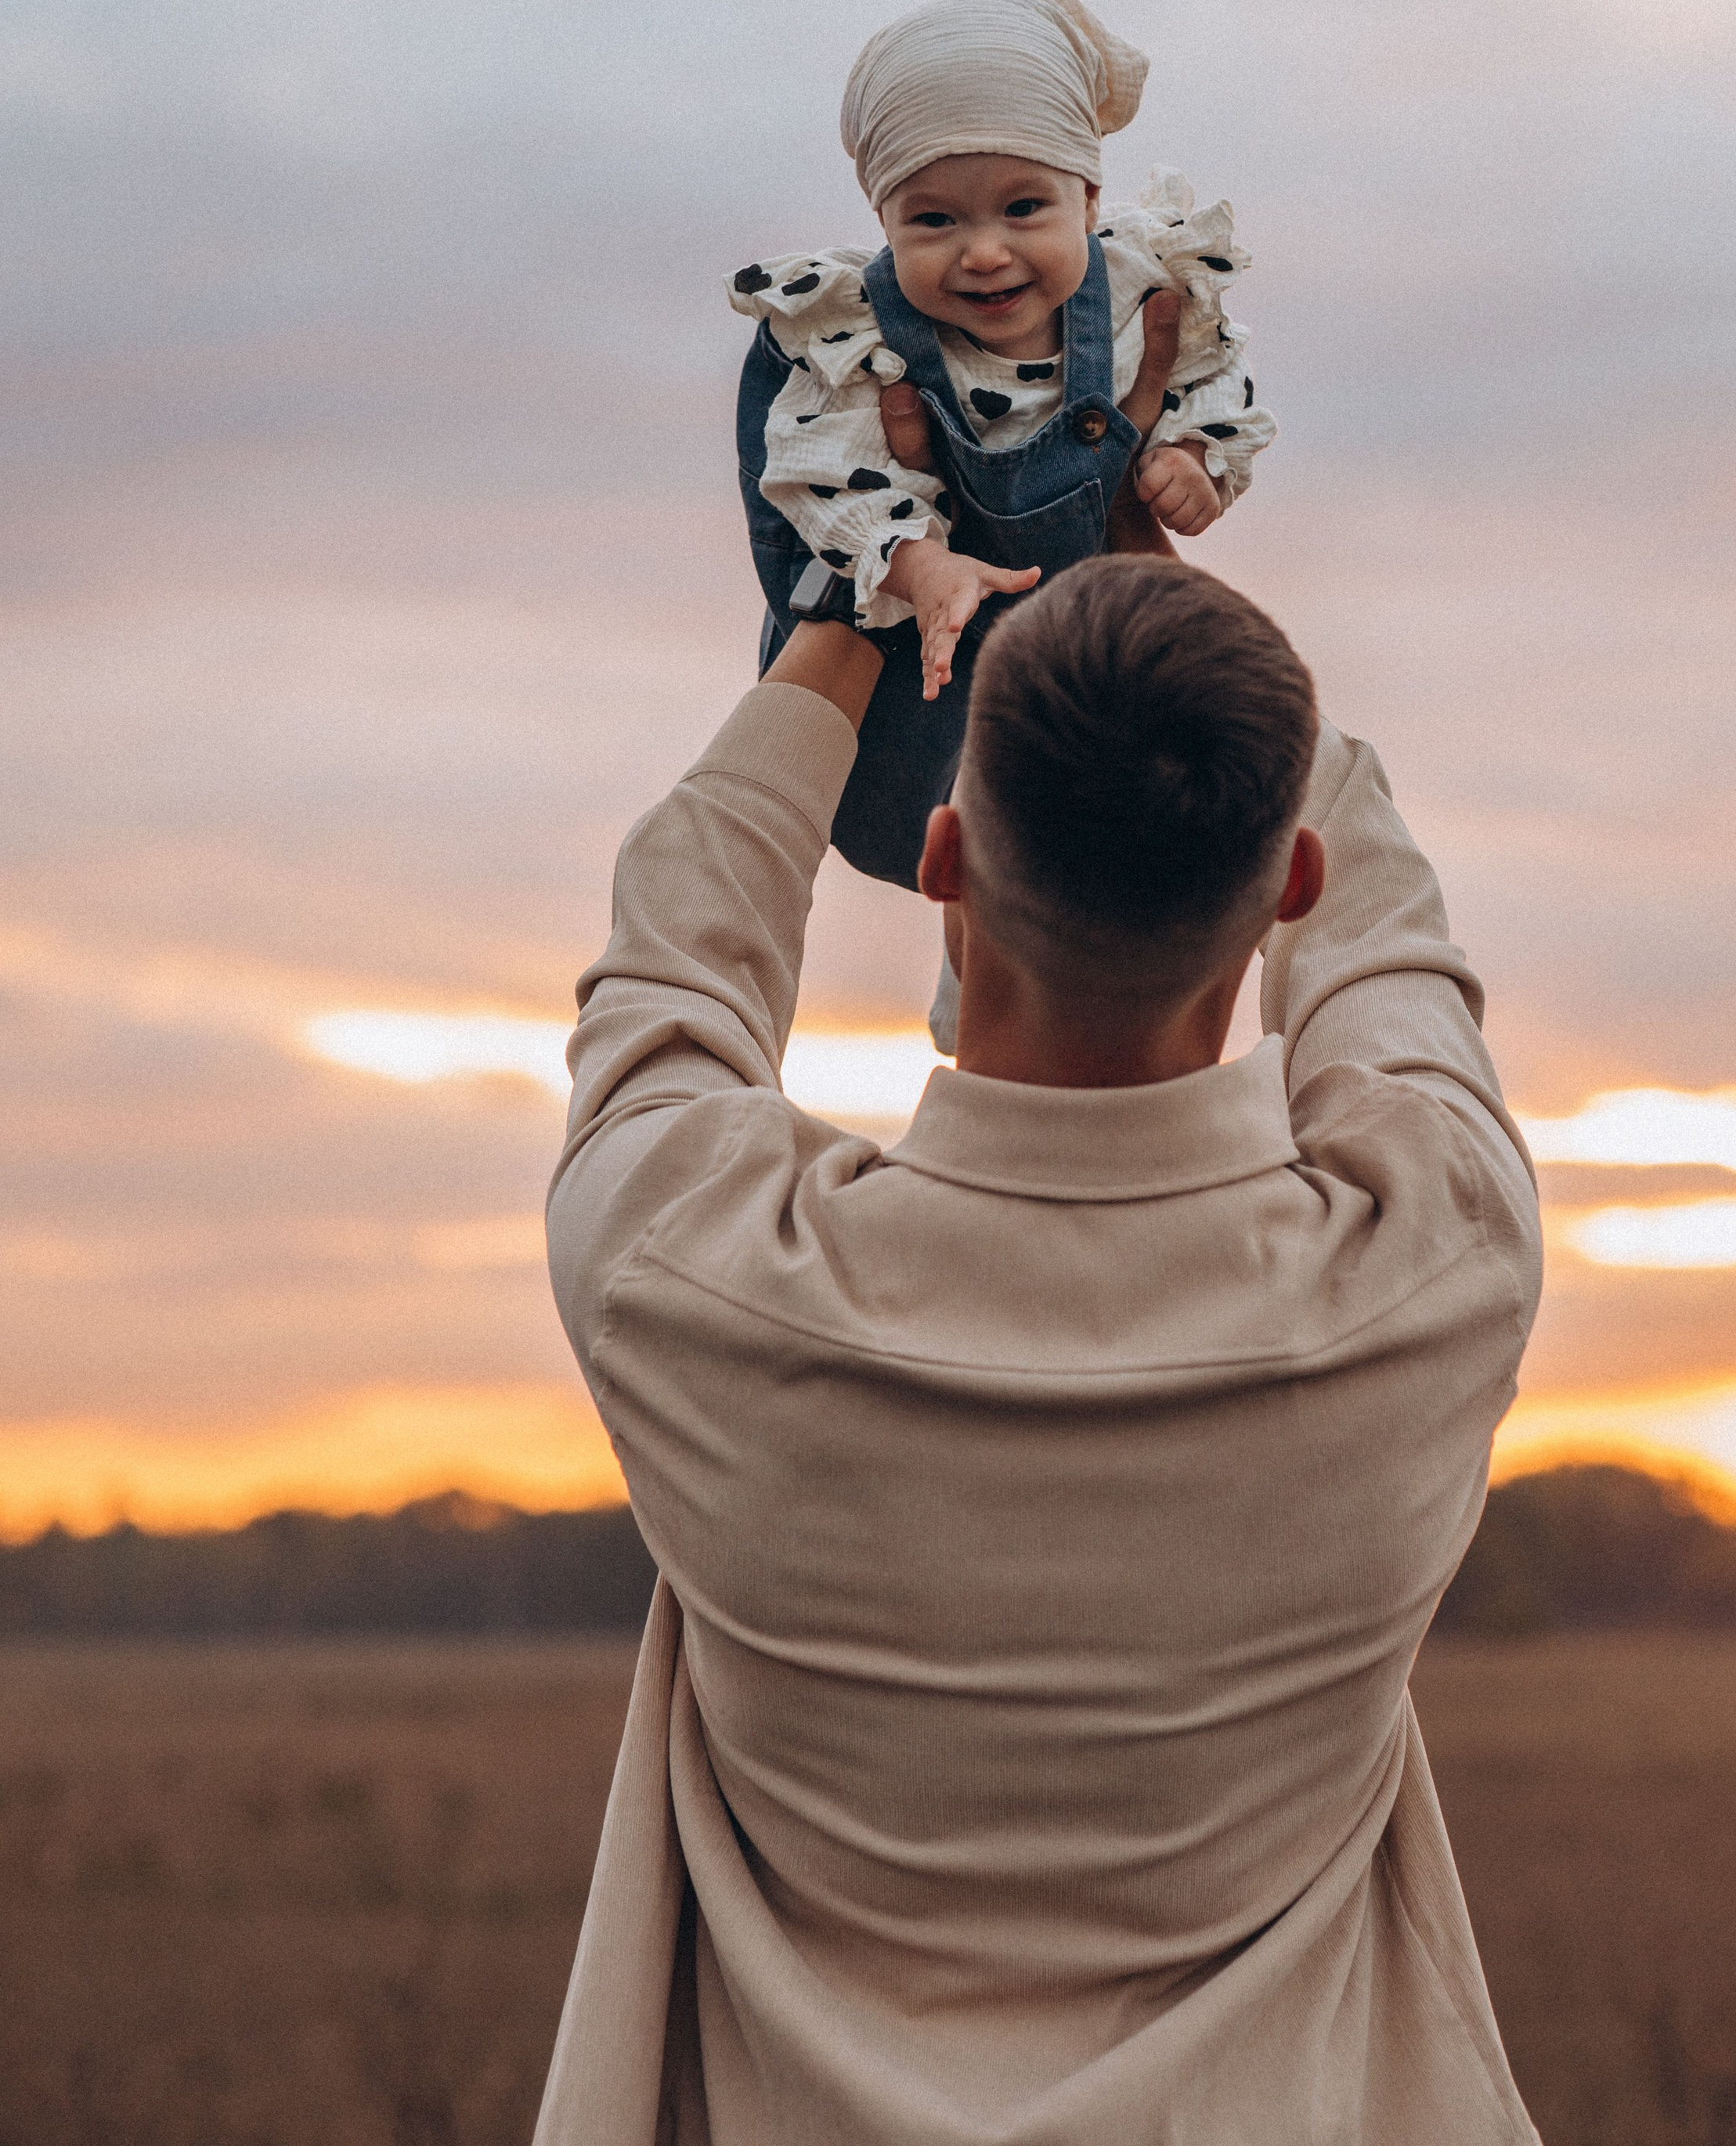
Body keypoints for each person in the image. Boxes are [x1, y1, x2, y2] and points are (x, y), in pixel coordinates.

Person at [538, 556, 1544, 2146]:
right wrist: (1118, 515)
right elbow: (1392, 970)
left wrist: (848, 611)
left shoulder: (703, 1273)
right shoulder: (1428, 1272)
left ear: (939, 858)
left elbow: (670, 980)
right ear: (1282, 882)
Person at [730, 0, 1276, 903]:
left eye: (1024, 208)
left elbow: (1207, 375)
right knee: (948, 821)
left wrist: (1192, 458)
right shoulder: (862, 334)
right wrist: (913, 562)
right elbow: (819, 472)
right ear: (884, 223)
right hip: (915, 638)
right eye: (934, 220)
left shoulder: (1143, 288)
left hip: (1068, 622)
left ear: (1089, 197)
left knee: (1074, 829)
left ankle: (993, 976)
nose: (983, 251)